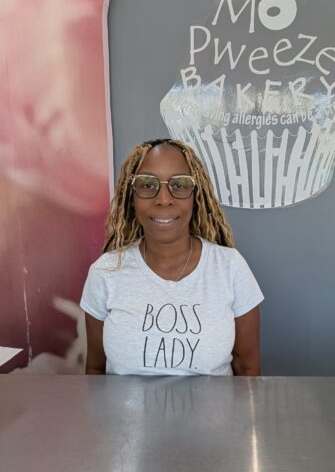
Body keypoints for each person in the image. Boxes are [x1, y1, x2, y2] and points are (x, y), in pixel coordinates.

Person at [81, 138, 263, 376]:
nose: (164, 199)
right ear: (131, 197)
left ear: (196, 196)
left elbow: (246, 367)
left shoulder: (230, 268)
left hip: (214, 415)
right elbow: (95, 369)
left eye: (179, 184)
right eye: (147, 184)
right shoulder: (105, 272)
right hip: (124, 415)